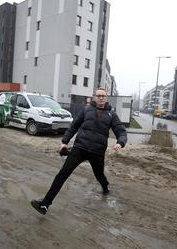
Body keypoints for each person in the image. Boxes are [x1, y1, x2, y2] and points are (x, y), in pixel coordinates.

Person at [31, 87, 127, 215]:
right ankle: (45, 204)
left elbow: (121, 131)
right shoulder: (86, 110)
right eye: (98, 95)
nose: (101, 98)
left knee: (99, 175)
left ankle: (105, 186)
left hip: (97, 152)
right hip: (80, 148)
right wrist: (64, 141)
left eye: (103, 95)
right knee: (62, 174)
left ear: (106, 97)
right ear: (94, 97)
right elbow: (74, 126)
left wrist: (120, 143)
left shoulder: (111, 115)